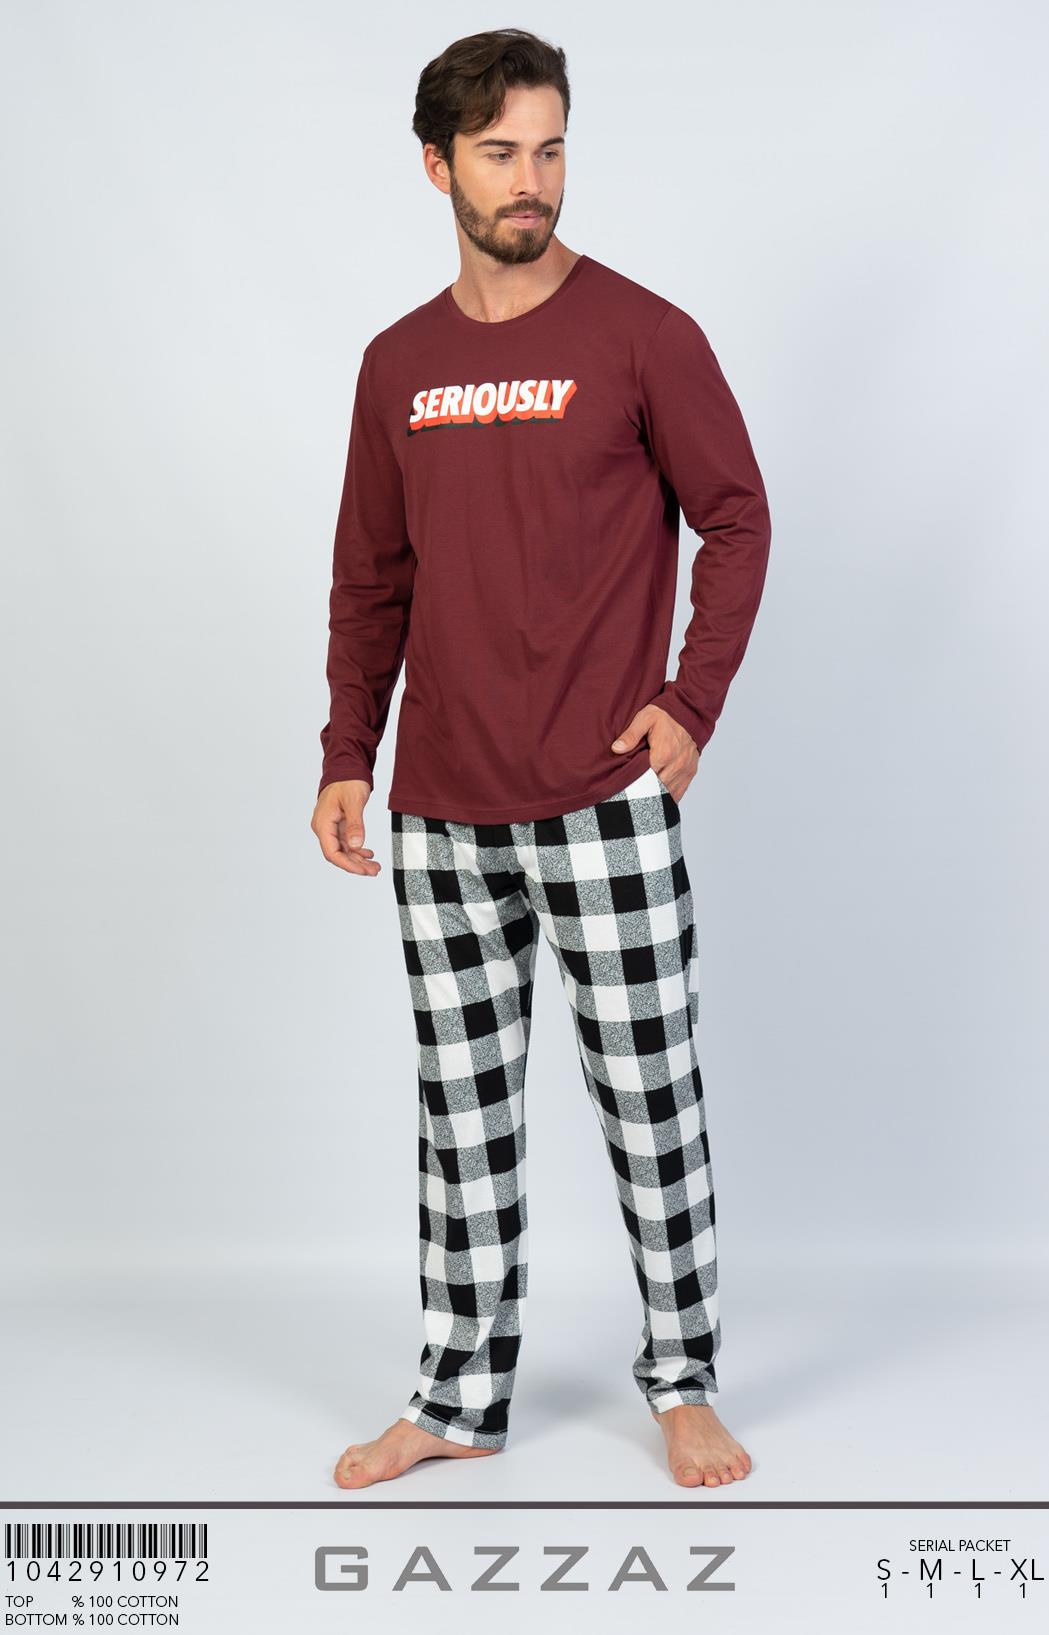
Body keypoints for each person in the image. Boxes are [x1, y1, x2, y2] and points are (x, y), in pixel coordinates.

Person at [311, 28, 771, 1490]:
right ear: (436, 166)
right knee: (463, 1125)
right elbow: (370, 577)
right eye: (501, 152)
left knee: (651, 1105)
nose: (532, 180)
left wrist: (690, 703)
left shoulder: (642, 334)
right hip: (440, 812)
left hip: (602, 802)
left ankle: (683, 1381)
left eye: (551, 148)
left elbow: (736, 516)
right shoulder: (398, 365)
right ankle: (457, 1399)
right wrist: (346, 750)